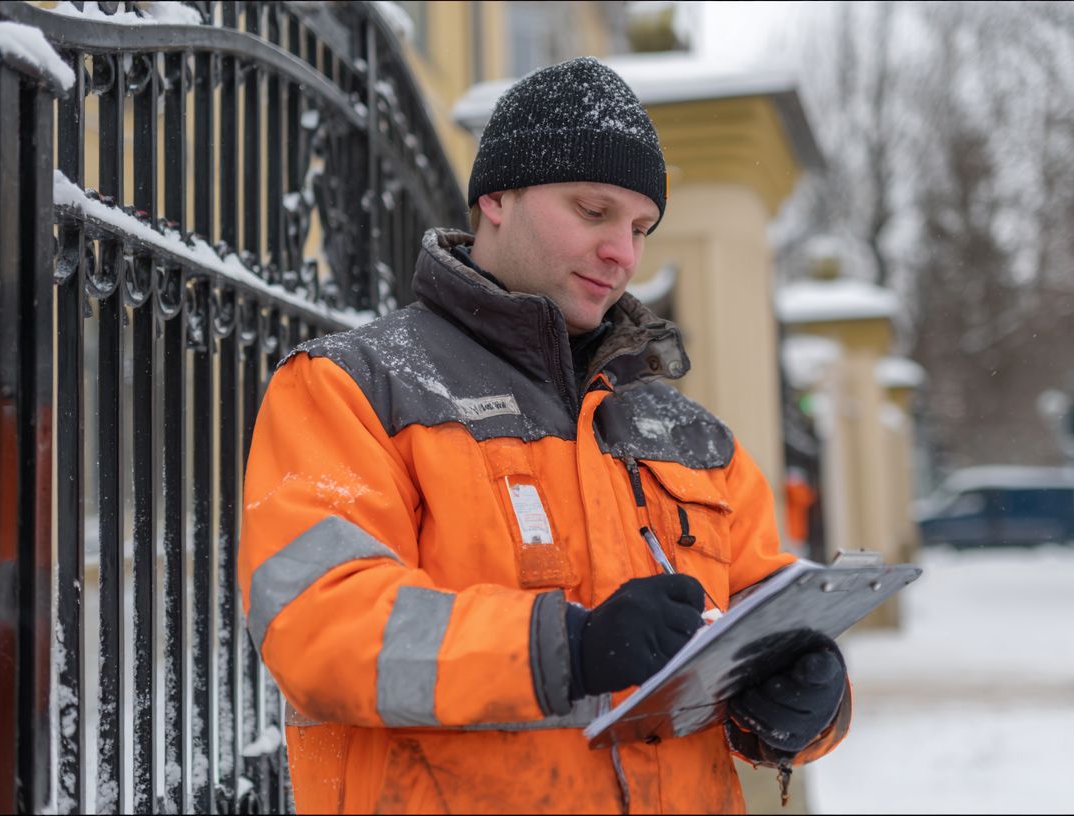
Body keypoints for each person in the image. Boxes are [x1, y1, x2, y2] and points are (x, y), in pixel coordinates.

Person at [239, 56, 850, 814]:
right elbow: (320, 623)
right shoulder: (355, 387)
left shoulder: (690, 435)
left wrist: (803, 705)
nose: (624, 253)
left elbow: (760, 612)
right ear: (496, 197)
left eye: (640, 227)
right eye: (593, 212)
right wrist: (564, 646)